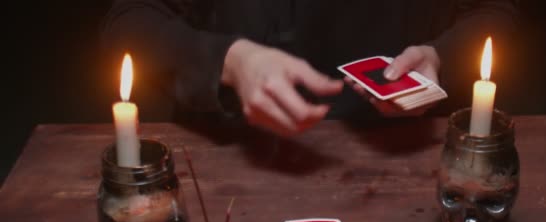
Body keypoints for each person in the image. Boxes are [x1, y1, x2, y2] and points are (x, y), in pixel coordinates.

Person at [101, 1, 518, 136]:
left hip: (397, 153)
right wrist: (228, 61)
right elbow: (129, 24)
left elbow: (497, 11)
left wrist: (440, 56)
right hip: (230, 151)